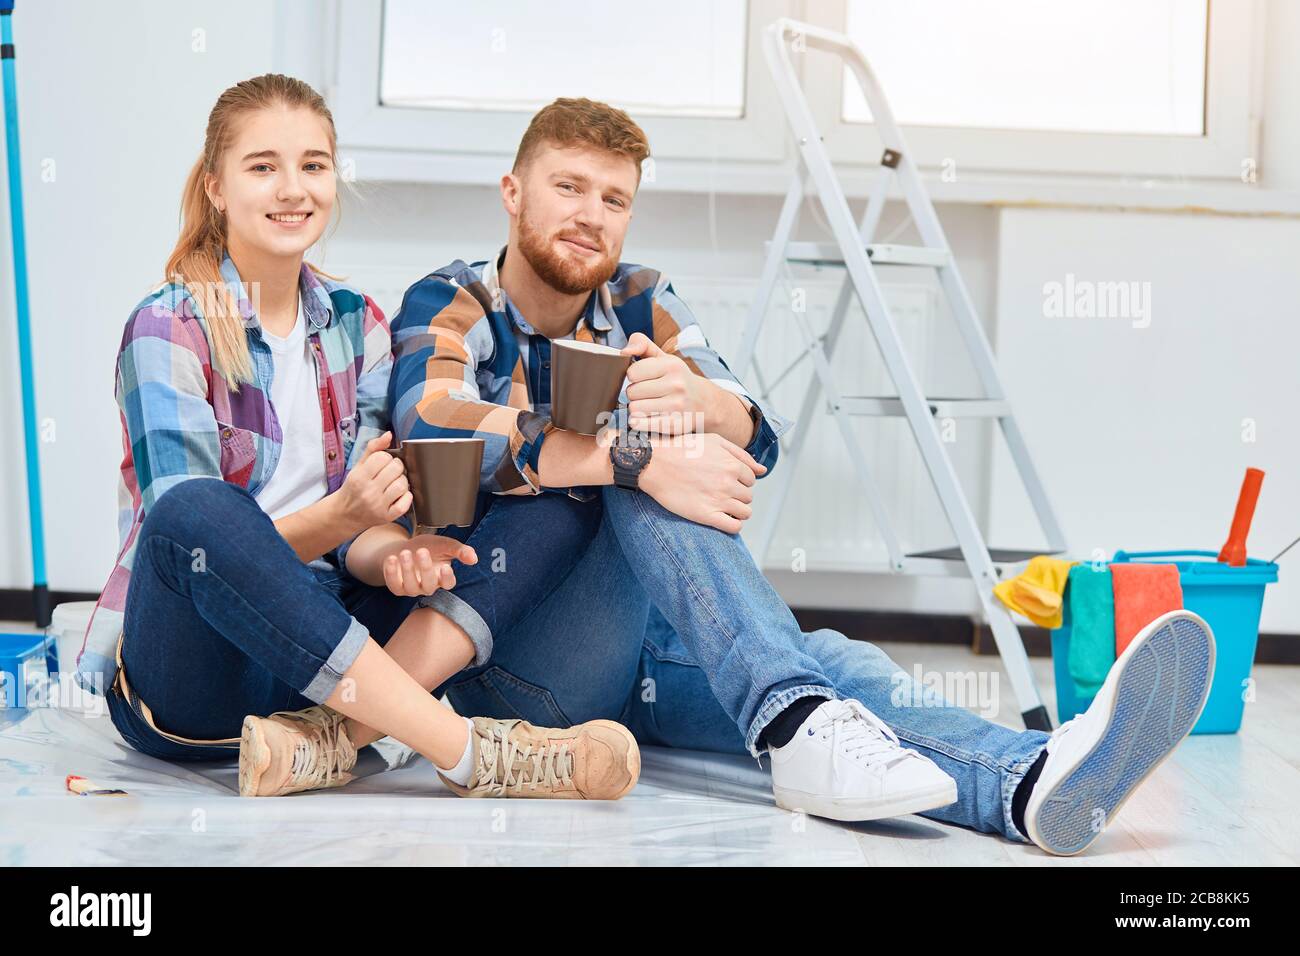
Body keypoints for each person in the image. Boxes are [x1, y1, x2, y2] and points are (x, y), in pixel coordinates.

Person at [272, 95, 1217, 855]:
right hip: (510, 654)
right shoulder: (453, 297)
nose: (591, 216)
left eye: (614, 198)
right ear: (513, 192)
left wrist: (694, 394)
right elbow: (431, 418)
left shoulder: (638, 295)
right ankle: (794, 716)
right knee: (648, 465)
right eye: (569, 188)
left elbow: (753, 428)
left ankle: (1027, 785)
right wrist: (638, 455)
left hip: (634, 648)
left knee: (835, 664)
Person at [75, 76, 639, 803]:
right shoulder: (168, 327)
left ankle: (325, 741)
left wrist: (394, 554)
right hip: (197, 677)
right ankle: (472, 752)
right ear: (216, 186)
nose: (293, 188)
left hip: (321, 664)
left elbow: (359, 535)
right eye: (262, 166)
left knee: (552, 485)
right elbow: (203, 556)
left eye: (313, 165)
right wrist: (344, 517)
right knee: (198, 512)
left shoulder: (356, 322)